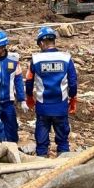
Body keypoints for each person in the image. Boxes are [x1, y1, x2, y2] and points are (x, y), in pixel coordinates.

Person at [25, 27, 78, 157]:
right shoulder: (66, 58)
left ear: (42, 43)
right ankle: (63, 164)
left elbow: (29, 81)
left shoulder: (36, 59)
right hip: (60, 106)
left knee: (41, 141)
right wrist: (72, 99)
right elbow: (73, 83)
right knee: (63, 140)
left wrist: (29, 97)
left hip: (43, 107)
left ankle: (41, 164)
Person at [0, 30, 27, 143]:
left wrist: (22, 99)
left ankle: (13, 151)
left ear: (3, 46)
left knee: (12, 130)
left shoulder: (13, 61)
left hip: (8, 103)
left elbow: (18, 80)